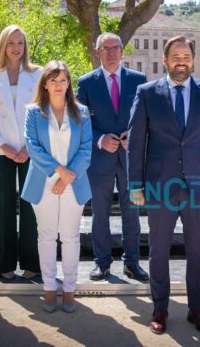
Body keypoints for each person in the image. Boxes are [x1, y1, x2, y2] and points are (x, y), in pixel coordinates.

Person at [128, 35, 200, 335]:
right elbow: (135, 142)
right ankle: (159, 309)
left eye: (186, 55)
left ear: (193, 60)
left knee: (198, 249)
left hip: (199, 184)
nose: (181, 60)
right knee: (158, 249)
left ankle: (196, 309)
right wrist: (135, 185)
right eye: (176, 55)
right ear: (166, 58)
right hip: (159, 185)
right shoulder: (147, 93)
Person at [76, 33, 148, 282]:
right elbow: (80, 122)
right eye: (105, 48)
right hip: (100, 158)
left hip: (131, 159)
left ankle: (132, 263)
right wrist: (100, 139)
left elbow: (146, 117)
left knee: (132, 212)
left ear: (122, 50)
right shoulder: (86, 83)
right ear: (98, 52)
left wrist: (135, 136)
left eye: (115, 47)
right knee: (100, 213)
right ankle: (102, 263)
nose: (111, 52)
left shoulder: (139, 81)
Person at [22, 61, 92, 313]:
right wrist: (58, 172)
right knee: (47, 236)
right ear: (45, 84)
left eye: (63, 80)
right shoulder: (33, 112)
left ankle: (70, 290)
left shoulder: (81, 112)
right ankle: (50, 288)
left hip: (74, 181)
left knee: (71, 237)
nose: (59, 85)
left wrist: (65, 177)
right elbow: (32, 147)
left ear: (69, 83)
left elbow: (86, 149)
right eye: (53, 80)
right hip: (43, 181)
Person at [0, 25, 42, 280]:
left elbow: (45, 113)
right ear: (2, 46)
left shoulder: (37, 74)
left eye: (20, 43)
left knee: (32, 207)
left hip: (31, 150)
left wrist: (31, 147)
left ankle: (33, 263)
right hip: (0, 149)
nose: (16, 48)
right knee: (0, 206)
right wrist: (0, 144)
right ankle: (1, 263)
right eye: (11, 43)